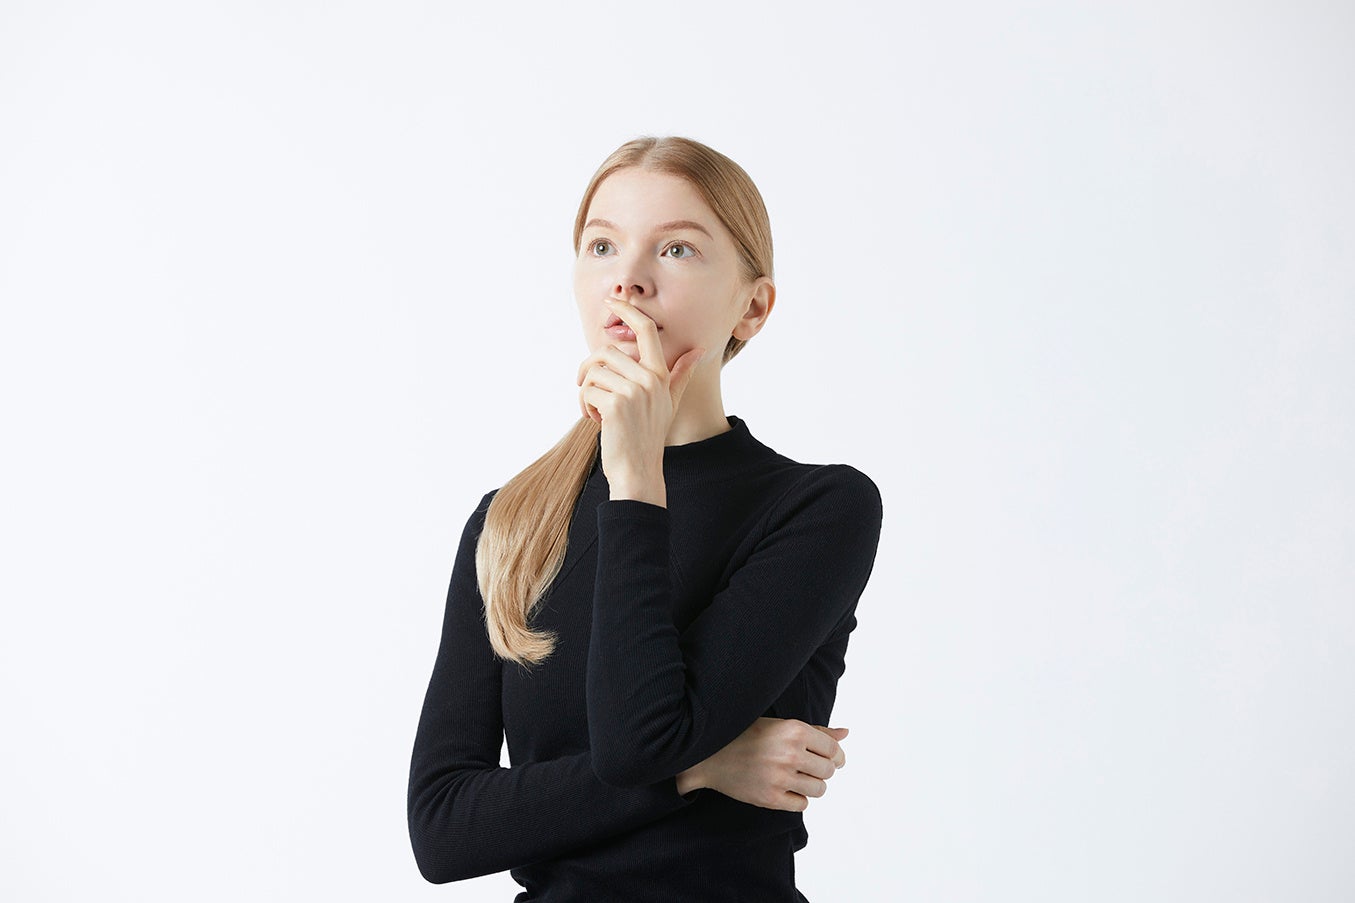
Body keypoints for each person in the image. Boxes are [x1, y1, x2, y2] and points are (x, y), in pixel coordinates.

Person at [407, 135, 884, 901]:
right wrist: (701, 766)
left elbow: (638, 744)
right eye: (602, 246)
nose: (626, 280)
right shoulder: (509, 521)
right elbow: (442, 829)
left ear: (753, 307)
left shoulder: (818, 508)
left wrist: (633, 479)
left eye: (676, 249)